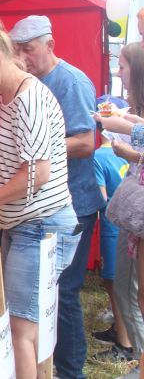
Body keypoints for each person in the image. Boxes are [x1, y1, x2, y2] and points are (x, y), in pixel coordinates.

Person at [0, 11, 80, 378]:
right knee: (28, 324)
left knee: (22, 330)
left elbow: (36, 174)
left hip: (41, 224)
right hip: (26, 224)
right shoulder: (7, 97)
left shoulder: (28, 99)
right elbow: (7, 160)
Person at [9, 14, 103, 379]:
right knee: (44, 296)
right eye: (17, 50)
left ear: (50, 45)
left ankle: (71, 371)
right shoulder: (29, 82)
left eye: (28, 49)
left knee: (64, 293)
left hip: (75, 203)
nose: (23, 57)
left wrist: (37, 148)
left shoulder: (71, 82)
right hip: (44, 205)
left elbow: (86, 142)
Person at [94, 41, 144, 370]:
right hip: (134, 219)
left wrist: (124, 130)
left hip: (139, 219)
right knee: (132, 295)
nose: (118, 71)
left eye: (122, 66)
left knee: (136, 297)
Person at [91, 95, 133, 361]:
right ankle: (120, 330)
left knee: (113, 283)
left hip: (111, 228)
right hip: (129, 226)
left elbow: (101, 198)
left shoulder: (97, 157)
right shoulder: (127, 150)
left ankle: (124, 342)